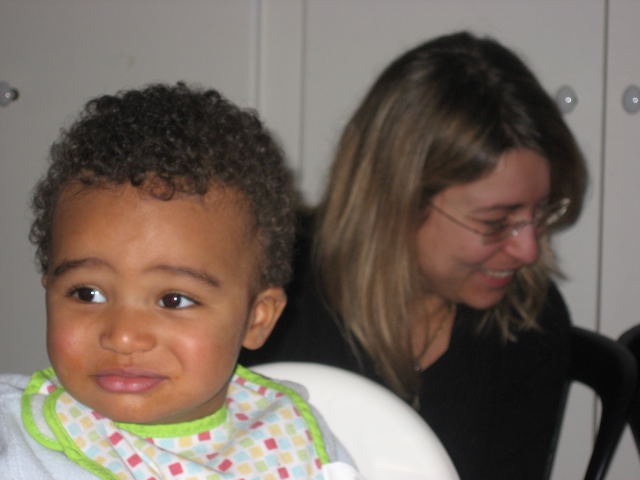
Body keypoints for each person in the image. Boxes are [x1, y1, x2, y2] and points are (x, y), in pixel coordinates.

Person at [241, 31, 587, 479]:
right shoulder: (267, 288)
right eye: (496, 222)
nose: (528, 249)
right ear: (396, 202)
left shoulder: (528, 320)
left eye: (540, 212)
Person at [0, 83, 359, 480]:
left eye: (173, 300)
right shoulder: (13, 443)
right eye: (88, 293)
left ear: (257, 319)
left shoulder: (292, 443)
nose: (123, 336)